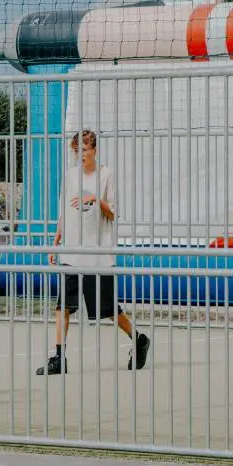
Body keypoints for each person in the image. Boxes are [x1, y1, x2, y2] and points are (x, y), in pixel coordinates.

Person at [36, 130, 150, 375]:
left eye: (85, 150)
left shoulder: (106, 175)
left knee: (109, 310)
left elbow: (112, 213)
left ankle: (138, 339)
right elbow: (64, 211)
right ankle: (59, 357)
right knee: (62, 306)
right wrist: (57, 239)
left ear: (94, 150)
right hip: (72, 252)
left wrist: (95, 200)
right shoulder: (70, 176)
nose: (81, 155)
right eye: (77, 151)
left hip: (97, 254)